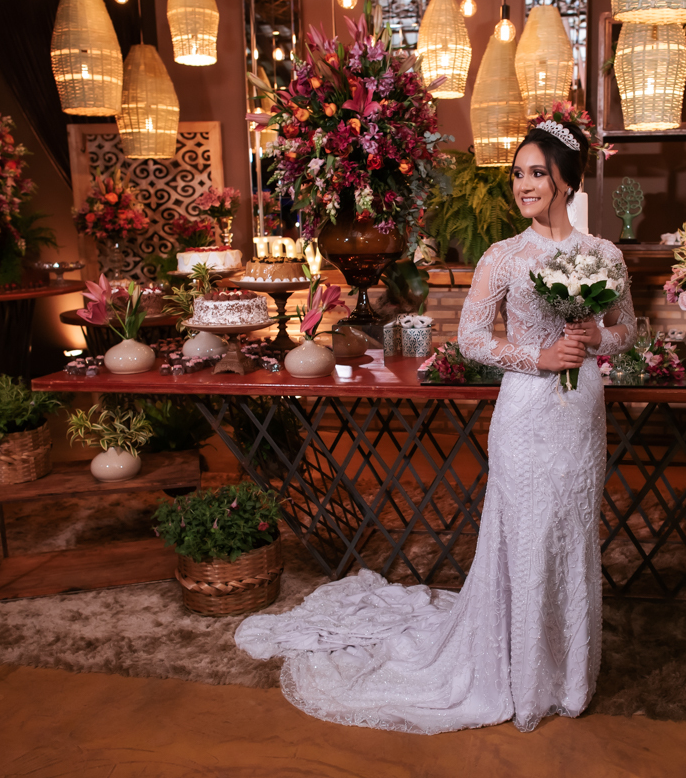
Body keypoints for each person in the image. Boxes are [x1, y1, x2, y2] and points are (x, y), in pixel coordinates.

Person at [234, 119, 637, 734]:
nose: (523, 185)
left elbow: (629, 330)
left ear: (567, 179)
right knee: (525, 537)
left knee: (572, 532)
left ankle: (567, 675)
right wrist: (538, 357)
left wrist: (595, 337)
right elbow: (470, 338)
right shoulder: (503, 256)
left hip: (581, 412)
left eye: (537, 173)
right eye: (518, 175)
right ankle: (519, 676)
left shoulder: (603, 255)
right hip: (526, 414)